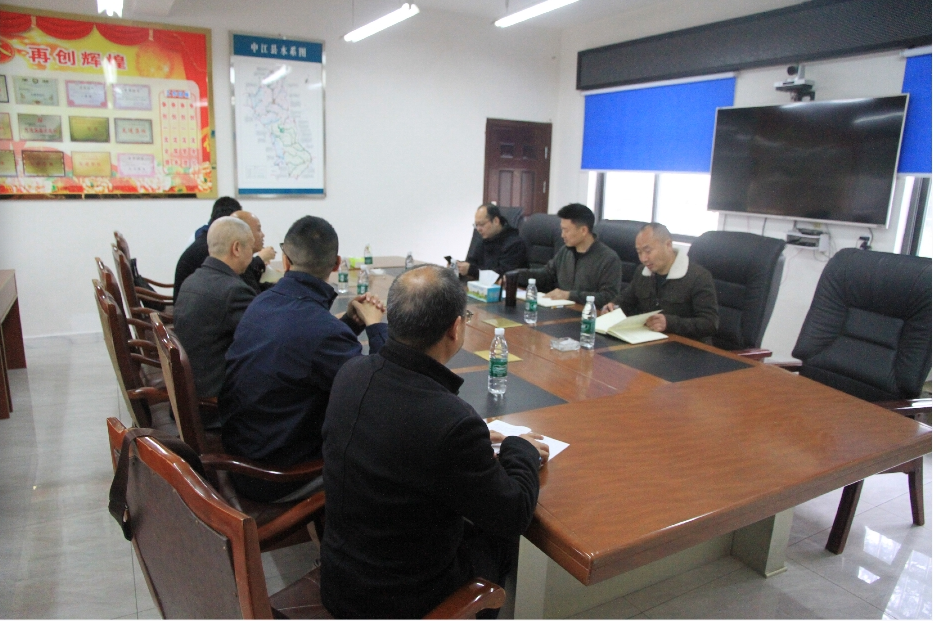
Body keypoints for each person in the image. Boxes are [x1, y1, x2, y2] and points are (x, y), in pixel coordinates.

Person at [320, 265, 548, 619]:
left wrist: (472, 441)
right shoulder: (450, 421)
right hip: (400, 603)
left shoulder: (352, 373)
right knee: (499, 538)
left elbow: (403, 432)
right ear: (456, 328)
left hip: (341, 581)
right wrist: (521, 448)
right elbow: (513, 513)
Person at [219, 215, 387, 503]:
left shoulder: (262, 302)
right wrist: (375, 327)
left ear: (285, 260)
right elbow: (380, 394)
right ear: (336, 264)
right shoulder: (324, 331)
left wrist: (350, 322)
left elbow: (306, 351)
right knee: (384, 445)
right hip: (275, 475)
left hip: (240, 453)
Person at [172, 217, 257, 411]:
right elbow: (265, 338)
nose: (252, 256)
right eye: (251, 248)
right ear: (237, 248)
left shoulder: (193, 280)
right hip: (215, 404)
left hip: (194, 390)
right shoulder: (232, 291)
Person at [606, 223, 718, 342]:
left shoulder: (698, 277)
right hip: (649, 341)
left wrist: (670, 323)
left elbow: (710, 323)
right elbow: (625, 300)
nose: (643, 259)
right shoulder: (642, 273)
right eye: (639, 252)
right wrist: (613, 307)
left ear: (668, 245)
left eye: (648, 251)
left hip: (686, 346)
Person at [513, 203, 621, 308]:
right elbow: (546, 275)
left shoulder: (608, 258)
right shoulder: (566, 251)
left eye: (566, 230)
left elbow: (609, 297)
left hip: (588, 314)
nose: (562, 235)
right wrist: (516, 275)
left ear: (583, 230)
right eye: (562, 230)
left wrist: (569, 295)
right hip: (562, 310)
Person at [172, 197, 275, 302]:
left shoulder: (195, 278)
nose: (263, 235)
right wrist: (259, 260)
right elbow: (251, 301)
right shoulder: (211, 250)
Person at [458, 204, 527, 279]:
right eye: (476, 225)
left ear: (496, 221)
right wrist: (460, 267)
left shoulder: (515, 244)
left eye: (481, 224)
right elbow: (472, 263)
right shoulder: (484, 240)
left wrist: (471, 271)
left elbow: (502, 275)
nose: (478, 229)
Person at [232, 210, 276, 294]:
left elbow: (258, 287)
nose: (263, 235)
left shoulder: (244, 265)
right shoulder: (238, 269)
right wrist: (260, 259)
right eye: (258, 229)